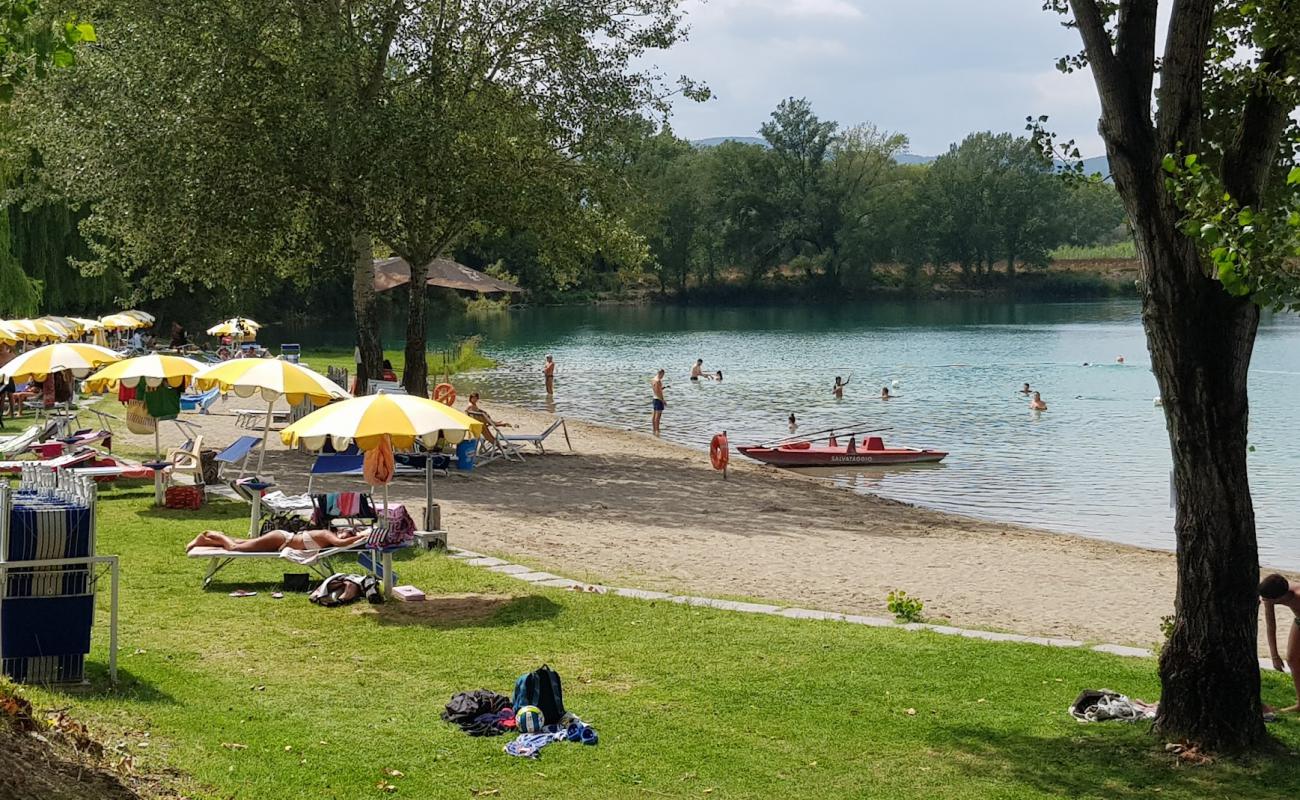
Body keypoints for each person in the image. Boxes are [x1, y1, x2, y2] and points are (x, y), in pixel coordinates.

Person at [1261, 574, 1300, 712]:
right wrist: (1274, 656)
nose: (1263, 601)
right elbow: (1271, 625)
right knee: (1292, 659)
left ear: (1279, 598)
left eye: (1266, 600)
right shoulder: (1270, 594)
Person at [185, 527, 369, 553]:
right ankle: (215, 534)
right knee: (234, 548)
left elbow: (343, 543)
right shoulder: (328, 534)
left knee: (241, 543)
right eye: (348, 534)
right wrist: (362, 536)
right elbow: (341, 544)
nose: (347, 537)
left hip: (281, 539)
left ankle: (204, 541)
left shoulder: (329, 538)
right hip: (280, 539)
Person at [0, 343, 15, 419]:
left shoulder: (8, 355)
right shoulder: (10, 355)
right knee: (6, 396)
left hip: (6, 376)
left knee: (7, 395)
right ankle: (6, 414)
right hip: (5, 376)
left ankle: (6, 414)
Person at [651, 369, 666, 434]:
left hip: (654, 398)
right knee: (658, 417)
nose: (663, 376)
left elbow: (656, 390)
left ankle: (654, 429)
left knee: (654, 415)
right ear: (661, 373)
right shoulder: (658, 381)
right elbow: (658, 393)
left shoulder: (653, 379)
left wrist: (663, 388)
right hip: (658, 399)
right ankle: (657, 430)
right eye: (663, 375)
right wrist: (663, 400)